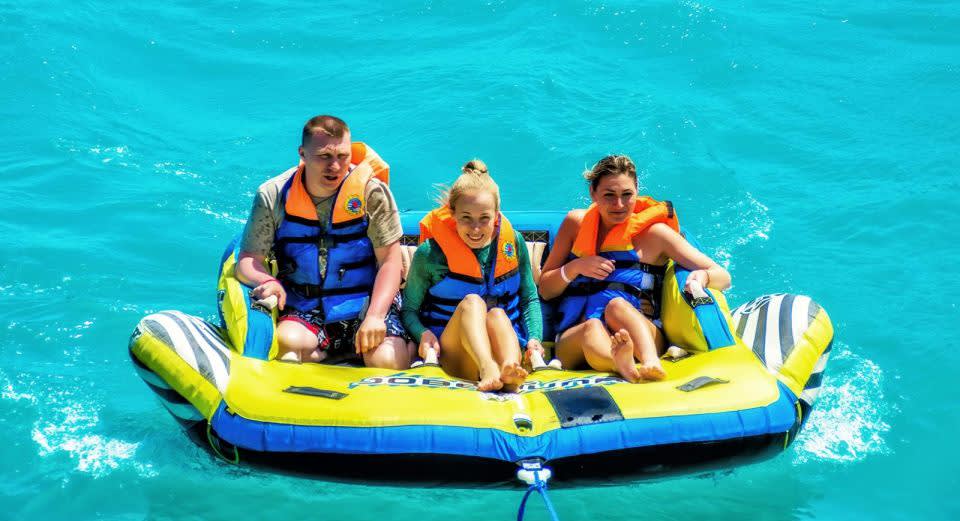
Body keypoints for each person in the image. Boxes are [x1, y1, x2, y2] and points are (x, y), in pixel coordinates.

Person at [235, 115, 413, 368]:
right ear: (303, 154)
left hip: (367, 301)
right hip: (306, 305)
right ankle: (337, 355)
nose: (335, 166)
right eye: (324, 156)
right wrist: (267, 281)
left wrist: (375, 316)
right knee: (287, 344)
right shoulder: (273, 195)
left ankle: (405, 349)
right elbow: (248, 260)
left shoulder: (372, 193)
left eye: (342, 156)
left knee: (385, 360)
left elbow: (390, 262)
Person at [538, 155, 731, 383]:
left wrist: (704, 276)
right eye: (609, 195)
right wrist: (575, 267)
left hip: (642, 334)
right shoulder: (575, 224)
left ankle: (650, 362)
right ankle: (620, 362)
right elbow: (545, 290)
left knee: (617, 306)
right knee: (592, 326)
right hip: (576, 340)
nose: (619, 205)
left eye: (627, 194)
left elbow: (723, 277)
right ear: (593, 193)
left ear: (637, 190)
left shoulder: (656, 235)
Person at [401, 160, 545, 392]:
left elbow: (529, 298)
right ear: (452, 213)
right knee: (473, 302)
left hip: (505, 346)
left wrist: (535, 338)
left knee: (497, 313)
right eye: (466, 218)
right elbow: (408, 309)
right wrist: (423, 334)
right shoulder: (430, 254)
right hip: (455, 355)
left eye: (484, 218)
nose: (475, 229)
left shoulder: (513, 242)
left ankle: (510, 370)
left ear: (496, 215)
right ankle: (488, 368)